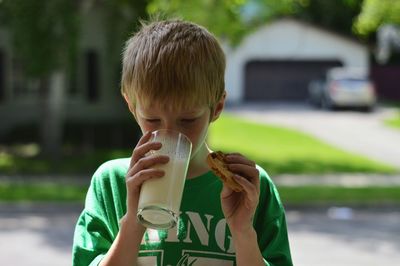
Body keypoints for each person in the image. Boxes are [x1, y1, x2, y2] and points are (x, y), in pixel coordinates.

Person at [72, 19, 293, 266]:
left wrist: (243, 232)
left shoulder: (249, 187)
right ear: (131, 106)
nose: (169, 133)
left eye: (188, 120)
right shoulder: (112, 182)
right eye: (152, 119)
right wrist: (132, 223)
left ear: (217, 107)